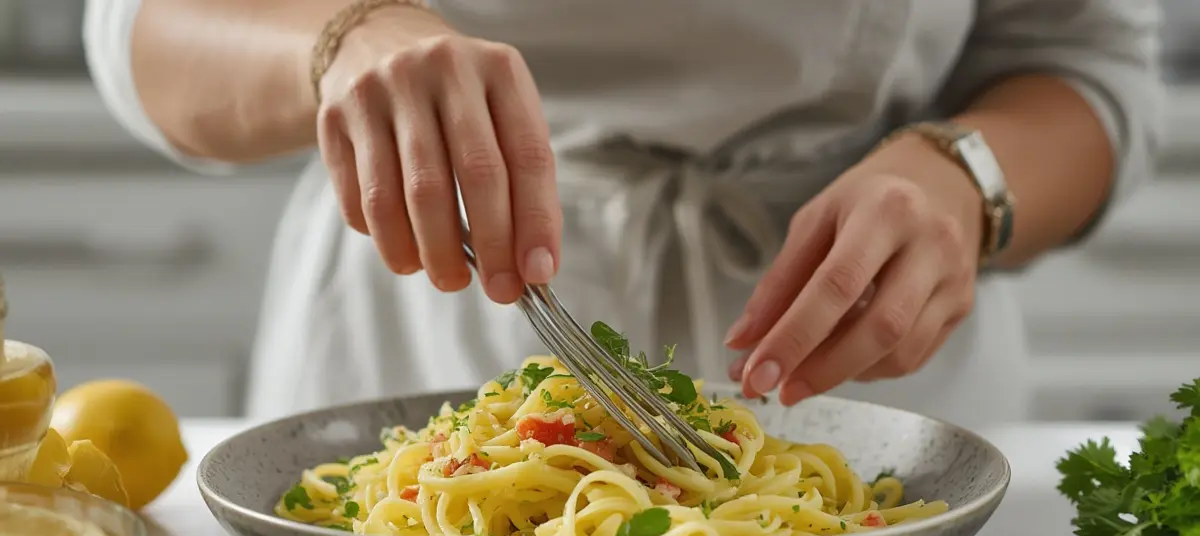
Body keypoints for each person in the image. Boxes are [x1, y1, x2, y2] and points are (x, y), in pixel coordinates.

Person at [84, 1, 1162, 428]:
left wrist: (963, 177)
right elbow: (137, 25)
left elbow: (1082, 60)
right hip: (412, 325)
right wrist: (336, 43)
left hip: (871, 365)